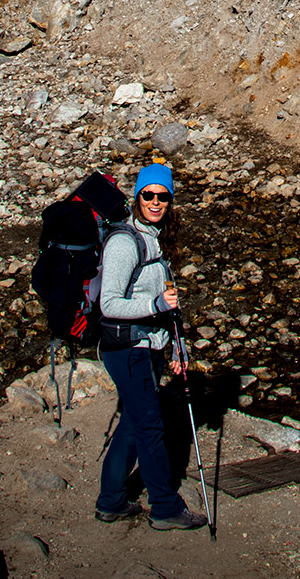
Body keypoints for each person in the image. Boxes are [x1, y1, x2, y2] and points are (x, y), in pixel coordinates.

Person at [93, 162, 208, 530]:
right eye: (149, 195)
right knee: (149, 426)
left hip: (149, 346)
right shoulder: (126, 243)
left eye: (163, 196)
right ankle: (165, 508)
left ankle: (111, 501)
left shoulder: (155, 239)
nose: (156, 202)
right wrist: (153, 306)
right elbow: (108, 303)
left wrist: (178, 349)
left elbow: (168, 304)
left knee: (132, 424)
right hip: (128, 350)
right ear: (137, 196)